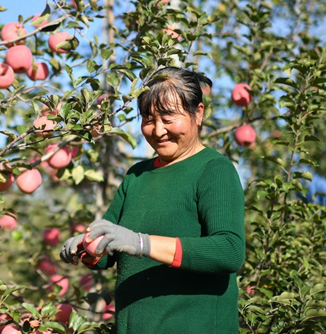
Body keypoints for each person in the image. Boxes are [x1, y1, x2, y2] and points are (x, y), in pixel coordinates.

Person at [60, 67, 246, 333]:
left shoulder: (214, 170)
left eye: (169, 118)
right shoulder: (137, 176)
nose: (158, 131)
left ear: (198, 113)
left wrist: (141, 243)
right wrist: (85, 246)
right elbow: (106, 253)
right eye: (148, 118)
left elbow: (229, 251)